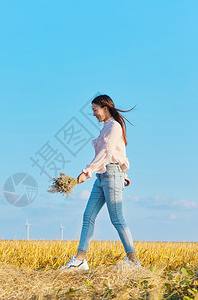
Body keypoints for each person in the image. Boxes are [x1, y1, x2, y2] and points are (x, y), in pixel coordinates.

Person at [60, 94, 140, 271]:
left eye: (95, 110)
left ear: (105, 108)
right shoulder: (106, 128)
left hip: (111, 175)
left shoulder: (115, 127)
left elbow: (107, 154)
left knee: (117, 219)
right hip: (102, 177)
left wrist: (86, 172)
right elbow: (112, 153)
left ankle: (134, 262)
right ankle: (80, 260)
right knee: (88, 215)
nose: (94, 114)